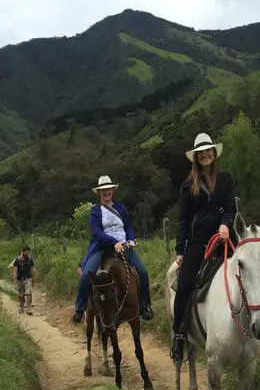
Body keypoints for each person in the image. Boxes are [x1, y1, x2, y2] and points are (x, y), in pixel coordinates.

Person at [171, 133, 236, 361]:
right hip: (198, 241)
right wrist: (181, 250)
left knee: (252, 269)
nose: (205, 154)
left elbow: (230, 207)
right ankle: (178, 333)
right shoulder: (188, 186)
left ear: (214, 153)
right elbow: (183, 219)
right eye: (201, 152)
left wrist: (225, 224)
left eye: (208, 150)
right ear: (196, 157)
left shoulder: (225, 179)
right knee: (185, 283)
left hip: (224, 236)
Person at [71, 175, 153, 323]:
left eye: (108, 189)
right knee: (86, 275)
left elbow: (128, 226)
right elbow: (97, 233)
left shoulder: (121, 208)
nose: (106, 192)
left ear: (113, 191)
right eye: (103, 190)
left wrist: (131, 239)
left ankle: (144, 305)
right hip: (102, 247)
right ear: (99, 193)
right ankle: (80, 308)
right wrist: (114, 242)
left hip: (124, 246)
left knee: (143, 271)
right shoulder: (95, 211)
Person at [8, 245, 35, 314]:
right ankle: (21, 307)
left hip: (27, 279)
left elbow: (32, 270)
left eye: (28, 252)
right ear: (22, 252)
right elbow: (15, 271)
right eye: (26, 252)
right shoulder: (17, 260)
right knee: (20, 294)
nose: (27, 254)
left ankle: (29, 309)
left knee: (28, 293)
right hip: (20, 279)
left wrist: (33, 280)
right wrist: (15, 281)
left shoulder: (30, 259)